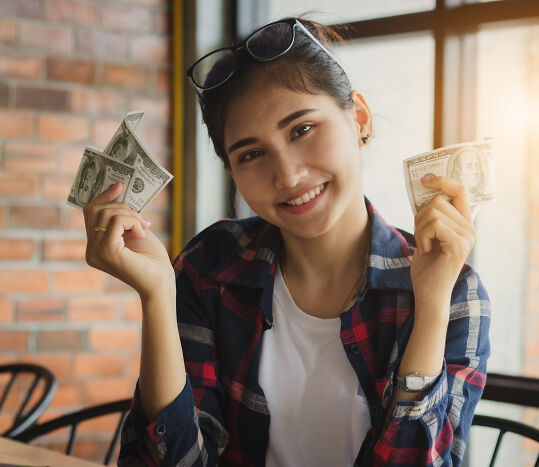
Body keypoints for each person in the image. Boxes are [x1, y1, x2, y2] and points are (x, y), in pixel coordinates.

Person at [83, 17, 490, 466]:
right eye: (252, 154)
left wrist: (431, 306)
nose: (288, 176)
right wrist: (157, 294)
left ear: (359, 118)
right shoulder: (208, 267)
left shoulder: (455, 291)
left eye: (302, 129)